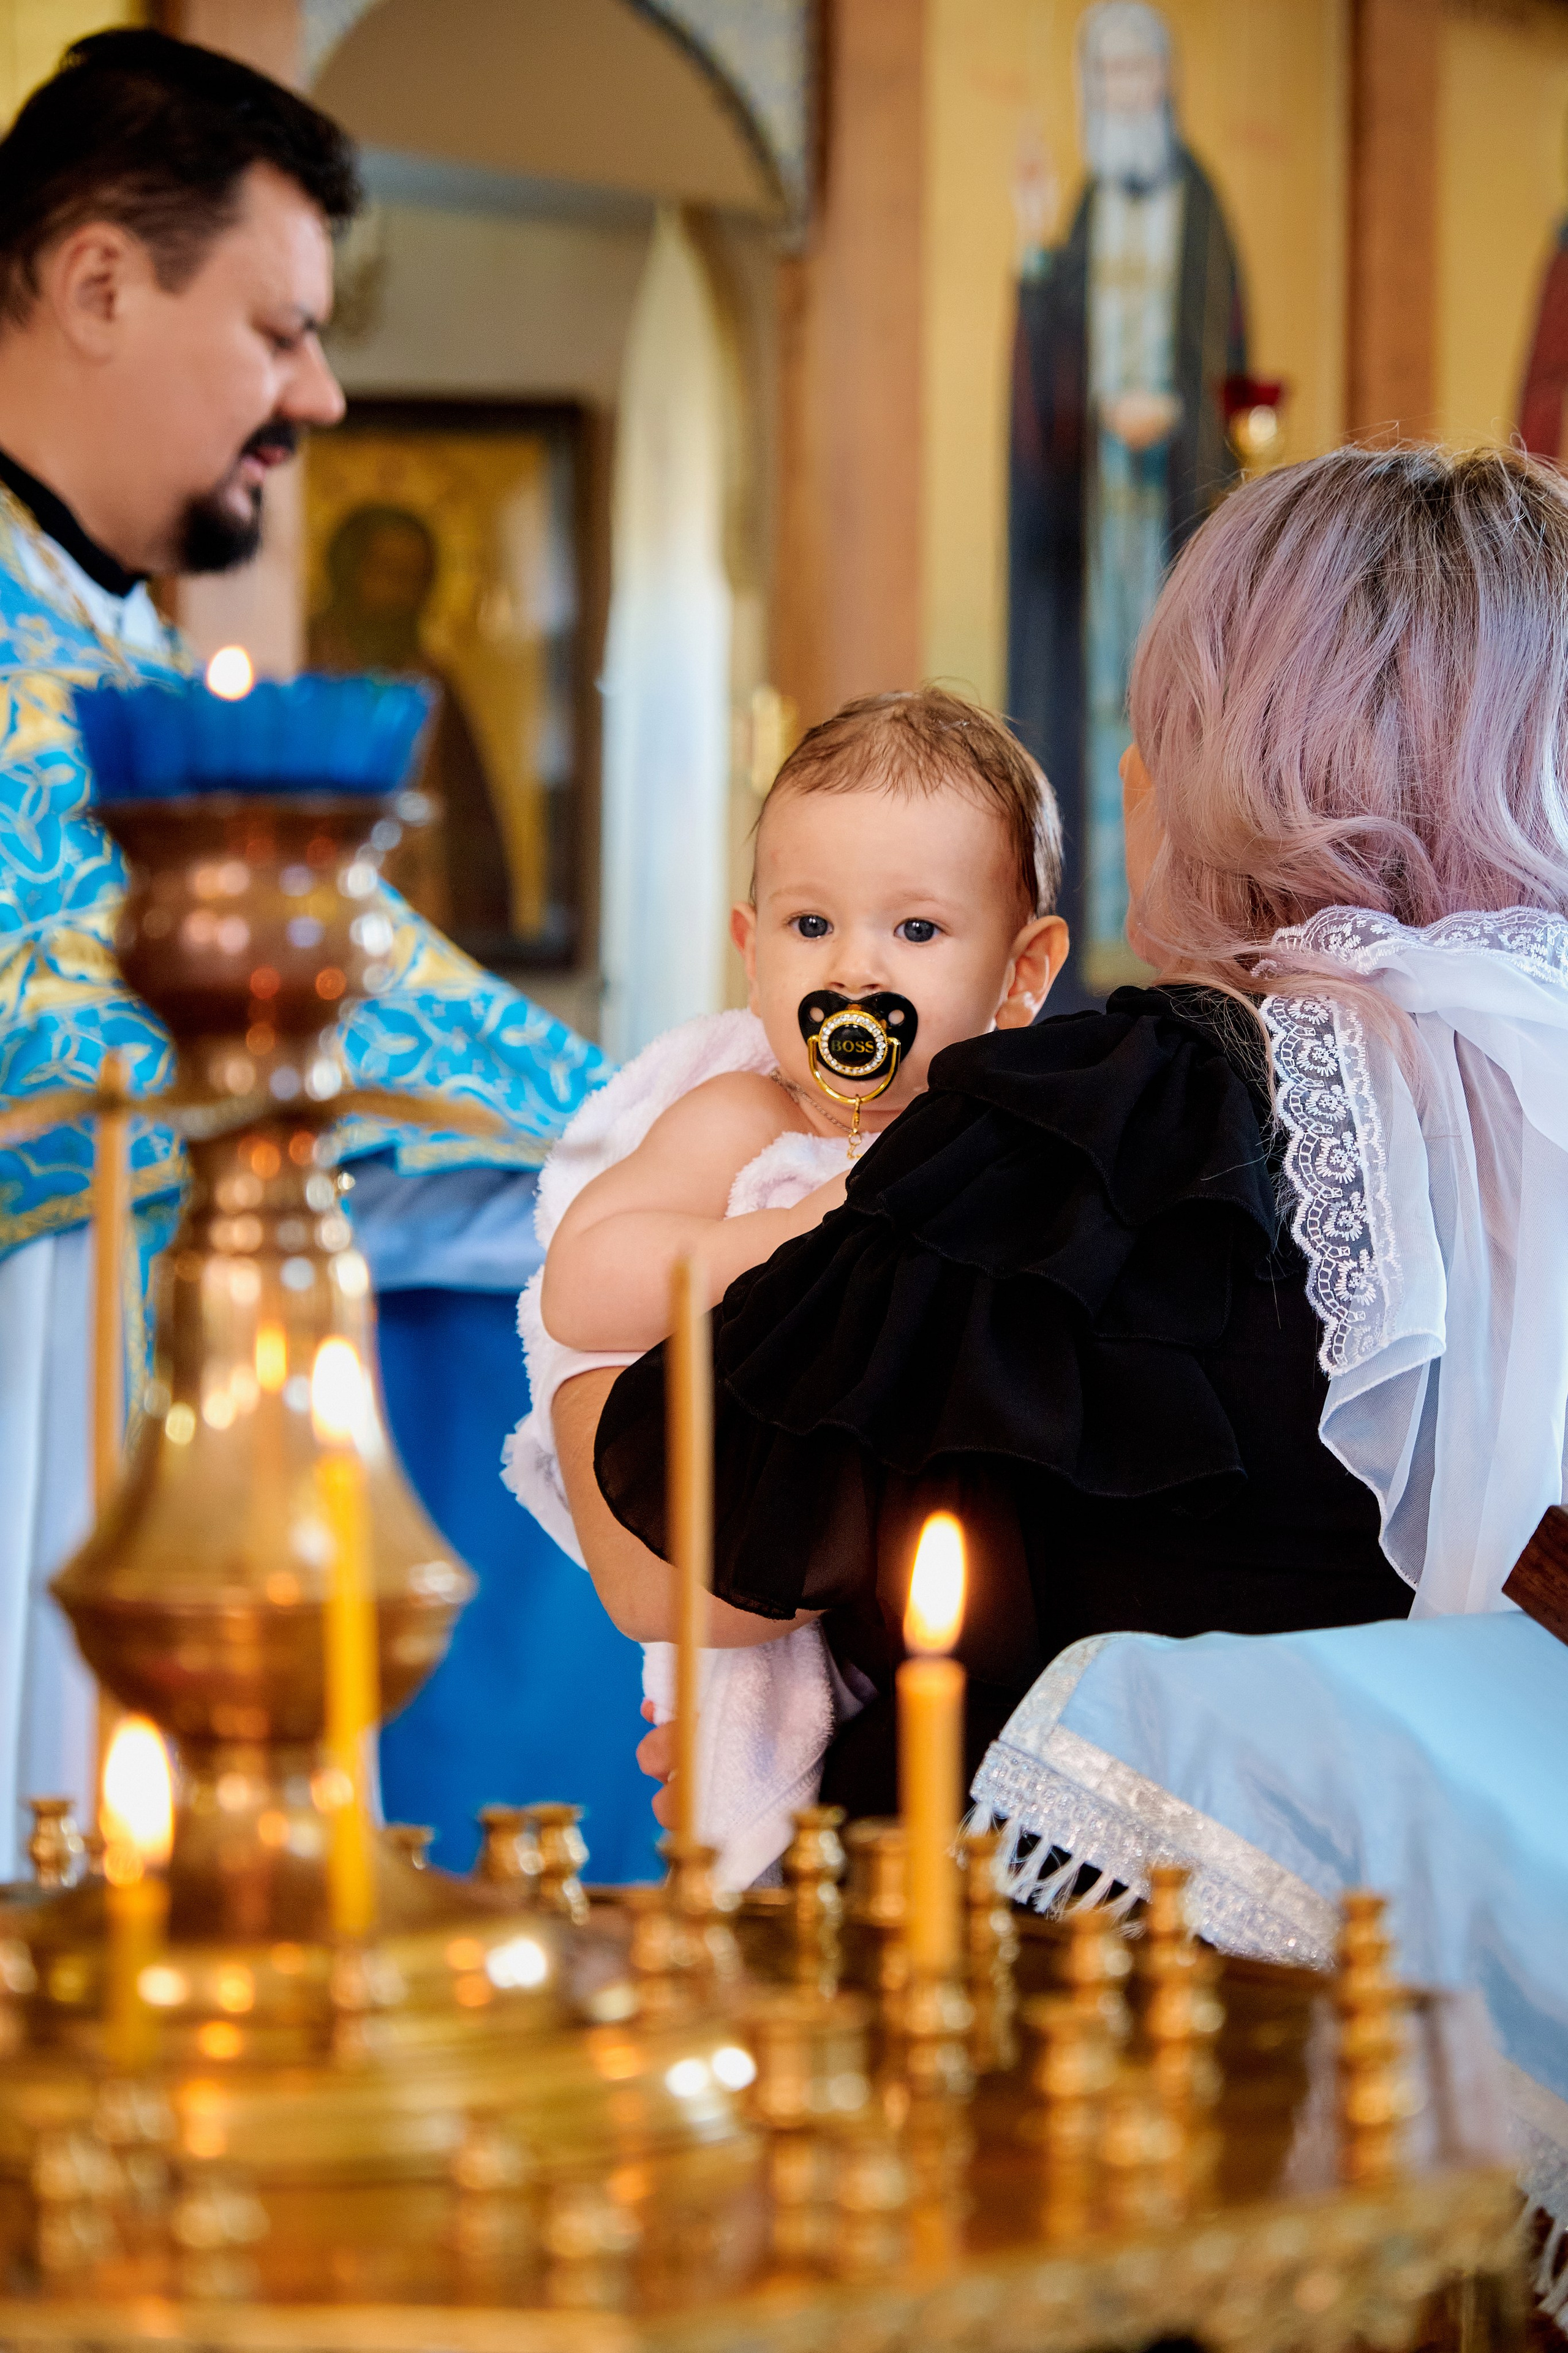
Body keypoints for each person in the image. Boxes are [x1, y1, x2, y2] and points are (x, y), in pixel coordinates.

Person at [565, 444, 1568, 1837]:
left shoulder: (1110, 1126)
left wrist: (566, 1365)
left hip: (1083, 1993)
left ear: (1195, 777)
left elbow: (677, 1558)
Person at [0, 29, 609, 1874]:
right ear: (101, 278)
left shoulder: (113, 658)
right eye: (278, 331)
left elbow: (401, 1062)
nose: (320, 397)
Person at [508, 687, 1067, 1882]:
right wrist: (803, 1232)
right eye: (809, 926)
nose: (853, 967)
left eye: (915, 933)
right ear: (750, 949)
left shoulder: (998, 1145)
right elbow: (584, 1287)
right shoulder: (742, 1115)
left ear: (1020, 973)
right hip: (744, 1566)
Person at [1008, 0, 1245, 1002]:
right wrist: (1032, 251)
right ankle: (1087, 945)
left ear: (1166, 87)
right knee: (1099, 699)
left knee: (1169, 702)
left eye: (1139, 77)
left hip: (1170, 506)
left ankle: (1168, 935)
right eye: (1107, 80)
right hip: (1095, 508)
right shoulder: (1089, 216)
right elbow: (1051, 363)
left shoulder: (1201, 205)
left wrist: (1180, 410)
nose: (1125, 96)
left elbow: (1226, 355)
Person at [308, 504, 512, 940]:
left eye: (415, 578)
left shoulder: (434, 683)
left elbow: (473, 827)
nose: (400, 594)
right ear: (346, 572)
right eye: (386, 571)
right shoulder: (305, 665)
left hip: (423, 911)